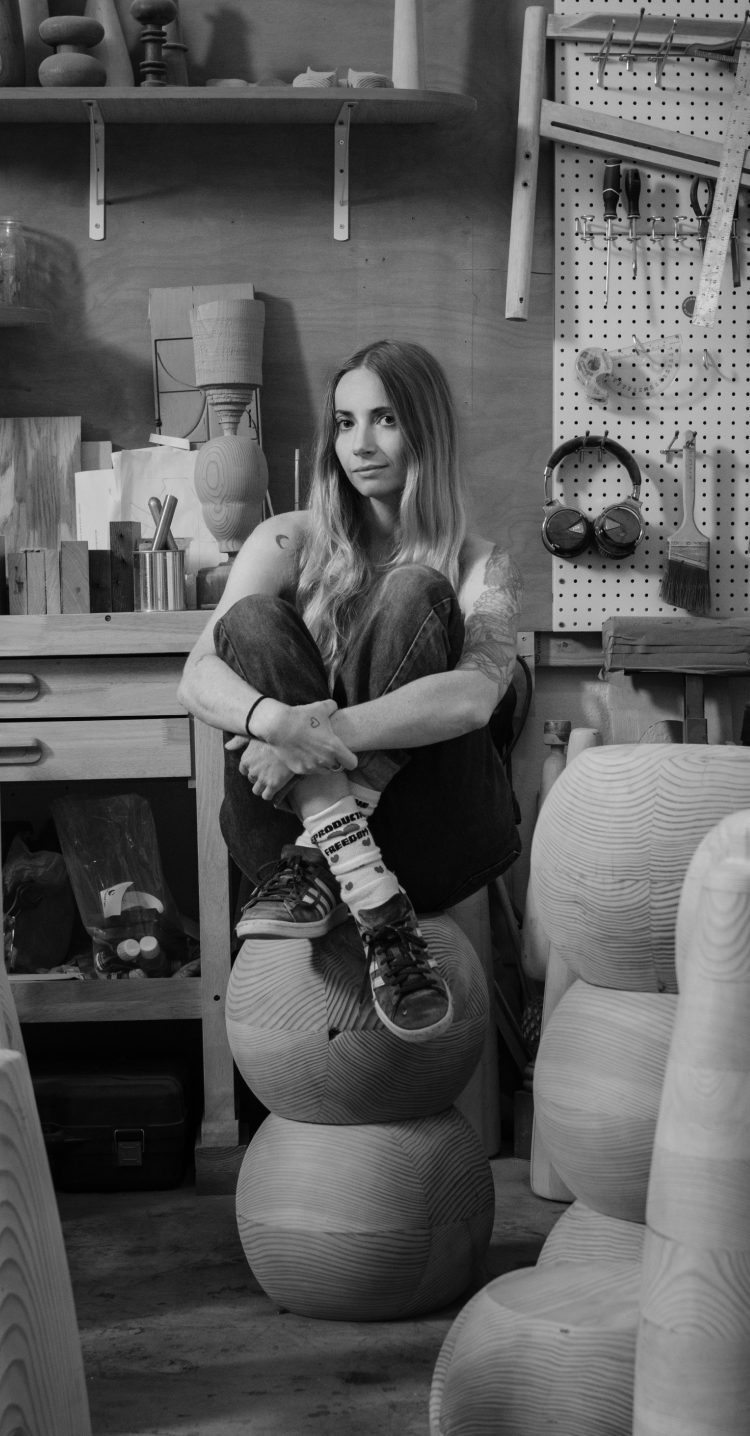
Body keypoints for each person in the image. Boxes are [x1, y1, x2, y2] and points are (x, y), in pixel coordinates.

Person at [178, 339, 522, 1045]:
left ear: (426, 430)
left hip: (425, 833)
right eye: (343, 422)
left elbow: (473, 700)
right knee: (249, 619)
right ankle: (372, 897)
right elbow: (197, 676)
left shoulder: (484, 566)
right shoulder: (285, 541)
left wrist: (307, 743)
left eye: (385, 419)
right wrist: (276, 720)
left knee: (411, 591)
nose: (359, 444)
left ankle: (334, 851)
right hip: (278, 846)